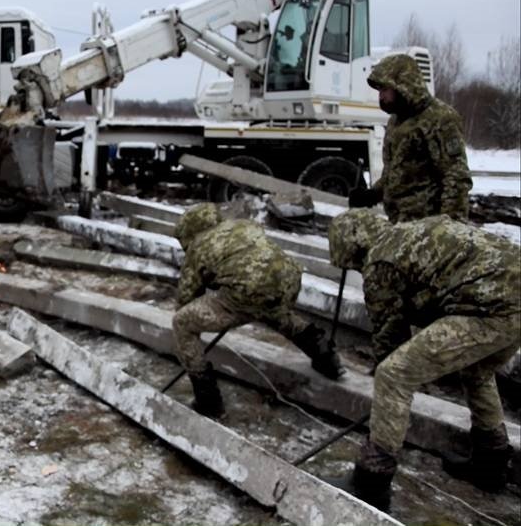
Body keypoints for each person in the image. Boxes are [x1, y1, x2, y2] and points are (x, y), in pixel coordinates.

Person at [327, 209, 520, 510]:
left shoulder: (379, 261)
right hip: (510, 297)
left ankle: (371, 482)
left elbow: (389, 336)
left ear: (353, 245)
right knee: (477, 372)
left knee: (394, 374)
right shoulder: (403, 234)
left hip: (491, 307)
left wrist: (386, 394)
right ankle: (490, 465)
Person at [172, 203, 344, 418]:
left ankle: (208, 400)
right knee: (269, 310)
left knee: (182, 322)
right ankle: (326, 357)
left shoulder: (198, 245)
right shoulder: (244, 225)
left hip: (248, 289)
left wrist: (204, 295)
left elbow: (186, 297)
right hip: (289, 279)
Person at [349, 54, 472, 223]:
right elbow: (395, 174)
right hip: (400, 223)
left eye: (385, 90)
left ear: (402, 86)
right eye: (379, 92)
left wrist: (450, 228)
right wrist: (372, 195)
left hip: (428, 226)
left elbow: (456, 176)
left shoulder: (440, 119)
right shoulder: (396, 122)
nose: (381, 97)